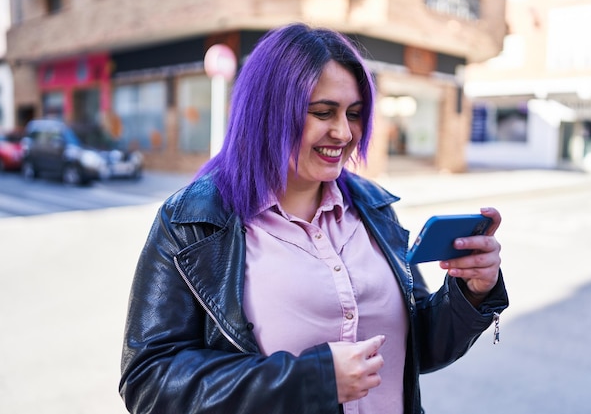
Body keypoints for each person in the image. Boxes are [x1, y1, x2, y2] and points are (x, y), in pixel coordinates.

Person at [119, 23, 509, 414]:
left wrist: (469, 292)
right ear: (268, 112)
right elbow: (149, 382)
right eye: (323, 112)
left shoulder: (374, 207)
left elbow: (417, 347)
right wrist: (311, 379)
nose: (343, 132)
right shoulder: (191, 221)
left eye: (354, 114)